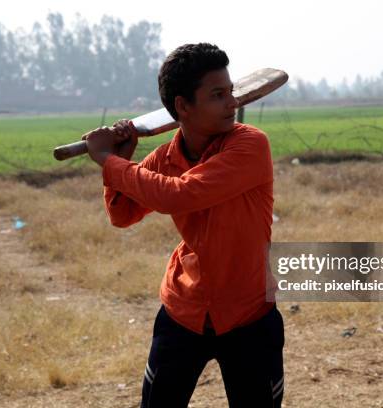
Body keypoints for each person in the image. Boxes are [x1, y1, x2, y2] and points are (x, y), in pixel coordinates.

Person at [83, 43, 284, 407]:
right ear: (182, 107)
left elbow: (178, 195)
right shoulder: (165, 158)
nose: (233, 103)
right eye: (218, 95)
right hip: (183, 312)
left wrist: (108, 161)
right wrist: (122, 162)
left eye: (231, 91)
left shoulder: (249, 145)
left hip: (249, 313)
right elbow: (122, 215)